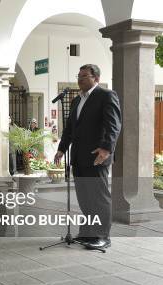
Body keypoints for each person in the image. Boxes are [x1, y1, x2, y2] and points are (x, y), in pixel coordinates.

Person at [55, 64, 121, 250]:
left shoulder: (106, 96)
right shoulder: (76, 100)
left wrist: (106, 149)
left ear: (96, 79)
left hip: (96, 157)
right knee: (85, 198)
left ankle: (102, 236)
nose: (80, 79)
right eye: (79, 75)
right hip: (78, 157)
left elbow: (113, 125)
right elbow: (70, 128)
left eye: (84, 76)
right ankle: (87, 233)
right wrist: (61, 149)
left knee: (98, 197)